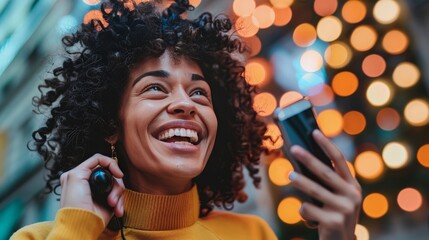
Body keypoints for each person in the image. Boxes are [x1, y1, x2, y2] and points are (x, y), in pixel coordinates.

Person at [11, 0, 362, 239]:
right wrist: (77, 229)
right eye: (155, 89)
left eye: (199, 93)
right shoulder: (42, 236)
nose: (186, 104)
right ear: (110, 126)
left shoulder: (252, 233)